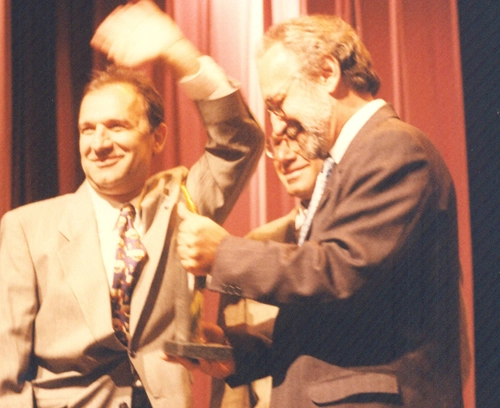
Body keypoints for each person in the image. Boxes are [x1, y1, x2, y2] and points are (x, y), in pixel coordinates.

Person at [0, 1, 263, 407]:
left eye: (117, 126)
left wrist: (180, 53)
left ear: (157, 137)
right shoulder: (28, 227)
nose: (99, 143)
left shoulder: (184, 203)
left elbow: (239, 142)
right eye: (87, 129)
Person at [175, 14, 464, 408]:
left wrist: (222, 253)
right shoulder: (347, 163)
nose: (277, 126)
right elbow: (338, 325)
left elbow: (338, 270)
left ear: (328, 72)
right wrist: (235, 354)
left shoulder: (394, 149)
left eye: (278, 104)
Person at [212, 150, 323, 408]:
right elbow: (234, 394)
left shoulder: (360, 244)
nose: (285, 156)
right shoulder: (253, 246)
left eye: (297, 135)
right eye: (276, 143)